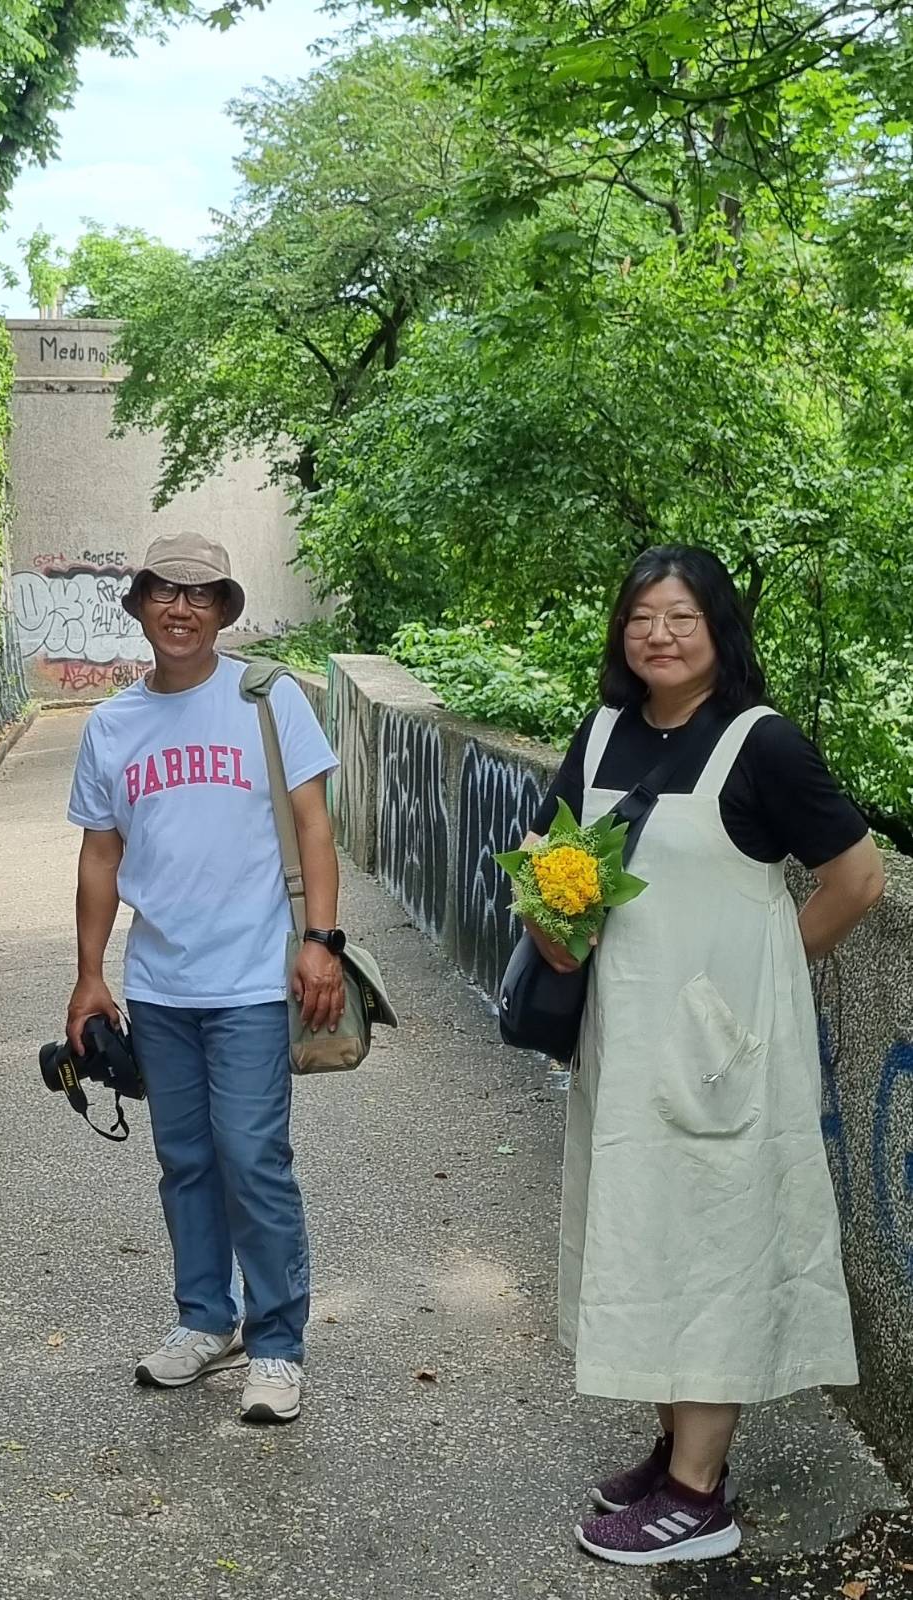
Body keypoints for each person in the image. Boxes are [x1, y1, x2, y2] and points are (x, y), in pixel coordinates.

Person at [523, 545, 884, 1566]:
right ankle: (680, 1449)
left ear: (719, 629)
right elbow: (556, 868)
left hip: (725, 1052)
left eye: (681, 616)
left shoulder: (761, 745)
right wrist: (553, 924)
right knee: (649, 1237)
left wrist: (755, 986)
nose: (659, 635)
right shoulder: (601, 737)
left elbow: (858, 879)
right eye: (641, 616)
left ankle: (698, 1498)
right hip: (627, 1042)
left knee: (717, 1247)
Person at [64, 532, 344, 1425]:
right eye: (164, 593)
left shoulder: (266, 699)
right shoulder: (111, 726)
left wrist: (321, 940)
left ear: (224, 611)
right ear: (140, 604)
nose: (181, 609)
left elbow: (313, 828)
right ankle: (203, 1320)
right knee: (183, 1161)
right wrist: (88, 975)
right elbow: (100, 856)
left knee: (253, 1159)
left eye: (201, 595)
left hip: (256, 979)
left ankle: (276, 1345)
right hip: (159, 984)